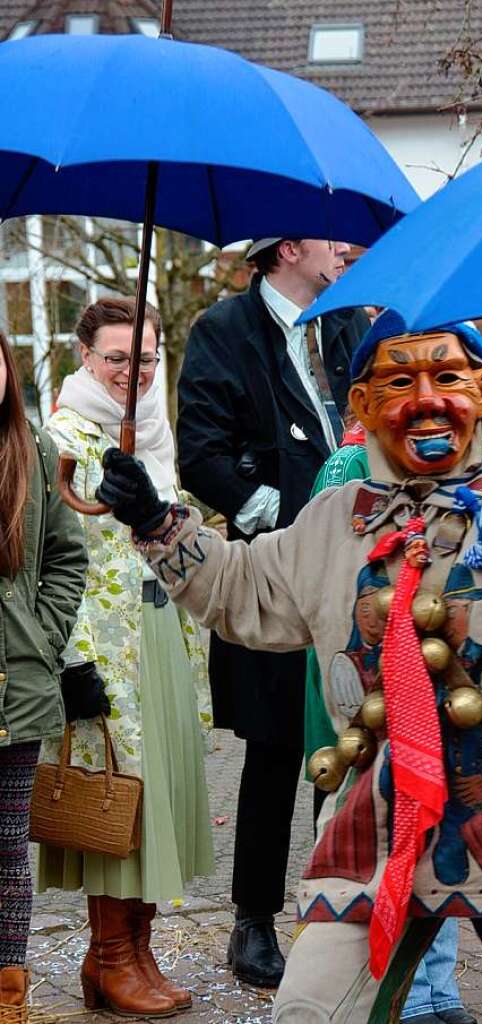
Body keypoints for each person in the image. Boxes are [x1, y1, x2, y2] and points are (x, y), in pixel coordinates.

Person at [93, 311, 482, 1024]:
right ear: (361, 405)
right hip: (380, 819)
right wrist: (154, 520)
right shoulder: (335, 519)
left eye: (447, 377)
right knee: (310, 1013)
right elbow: (243, 592)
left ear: (480, 390)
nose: (426, 398)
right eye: (397, 381)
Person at [176, 237, 369, 988]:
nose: (346, 249)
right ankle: (252, 922)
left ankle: (338, 913)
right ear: (287, 250)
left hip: (357, 582)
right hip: (273, 577)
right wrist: (287, 520)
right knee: (275, 752)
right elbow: (202, 457)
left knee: (352, 745)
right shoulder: (224, 330)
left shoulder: (350, 325)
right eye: (329, 240)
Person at [40, 298, 214, 1018]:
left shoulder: (153, 435)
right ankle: (111, 958)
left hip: (162, 637)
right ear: (84, 355)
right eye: (117, 357)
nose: (131, 372)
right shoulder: (61, 438)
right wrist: (71, 661)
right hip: (102, 651)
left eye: (144, 359)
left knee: (157, 800)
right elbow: (48, 558)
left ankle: (132, 952)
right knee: (117, 800)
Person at [306, 432, 476, 1024]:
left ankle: (436, 989)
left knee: (438, 827)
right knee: (375, 842)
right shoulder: (347, 473)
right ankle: (391, 990)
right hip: (371, 697)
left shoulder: (456, 474)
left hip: (437, 690)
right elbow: (331, 592)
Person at [0, 330, 87, 1023]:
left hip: (15, 690)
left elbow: (67, 559)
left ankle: (9, 998)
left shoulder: (33, 454)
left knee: (6, 860)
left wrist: (41, 635)